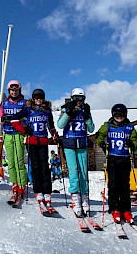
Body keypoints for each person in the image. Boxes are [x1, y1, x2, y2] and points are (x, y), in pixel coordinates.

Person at [6, 88, 58, 213]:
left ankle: (47, 194)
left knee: (45, 168)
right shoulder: (28, 109)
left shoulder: (47, 111)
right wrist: (24, 130)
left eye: (41, 98)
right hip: (32, 142)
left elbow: (51, 125)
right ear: (33, 99)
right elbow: (14, 119)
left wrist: (54, 134)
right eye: (36, 98)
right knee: (35, 168)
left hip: (44, 142)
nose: (39, 100)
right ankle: (38, 193)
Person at [96, 103, 137, 224]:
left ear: (125, 115)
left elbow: (135, 140)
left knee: (125, 186)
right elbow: (99, 135)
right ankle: (114, 208)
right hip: (112, 159)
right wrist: (102, 143)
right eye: (116, 115)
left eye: (121, 115)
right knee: (113, 185)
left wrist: (132, 144)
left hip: (124, 159)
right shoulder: (108, 125)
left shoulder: (130, 127)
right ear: (113, 115)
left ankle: (126, 209)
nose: (119, 117)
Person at [57, 88, 95, 217]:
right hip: (69, 145)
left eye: (81, 99)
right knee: (73, 172)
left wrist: (87, 117)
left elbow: (91, 128)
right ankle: (75, 200)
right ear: (72, 98)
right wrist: (68, 112)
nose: (78, 101)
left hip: (82, 145)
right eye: (76, 99)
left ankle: (85, 199)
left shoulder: (85, 110)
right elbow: (60, 125)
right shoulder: (65, 108)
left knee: (83, 173)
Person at [0, 80, 28, 204]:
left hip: (19, 134)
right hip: (8, 134)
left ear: (19, 90)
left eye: (16, 90)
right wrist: (2, 119)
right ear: (9, 91)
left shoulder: (24, 102)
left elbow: (28, 116)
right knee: (11, 162)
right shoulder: (4, 103)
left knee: (19, 161)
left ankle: (22, 185)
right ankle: (14, 184)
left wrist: (19, 119)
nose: (14, 92)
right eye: (12, 90)